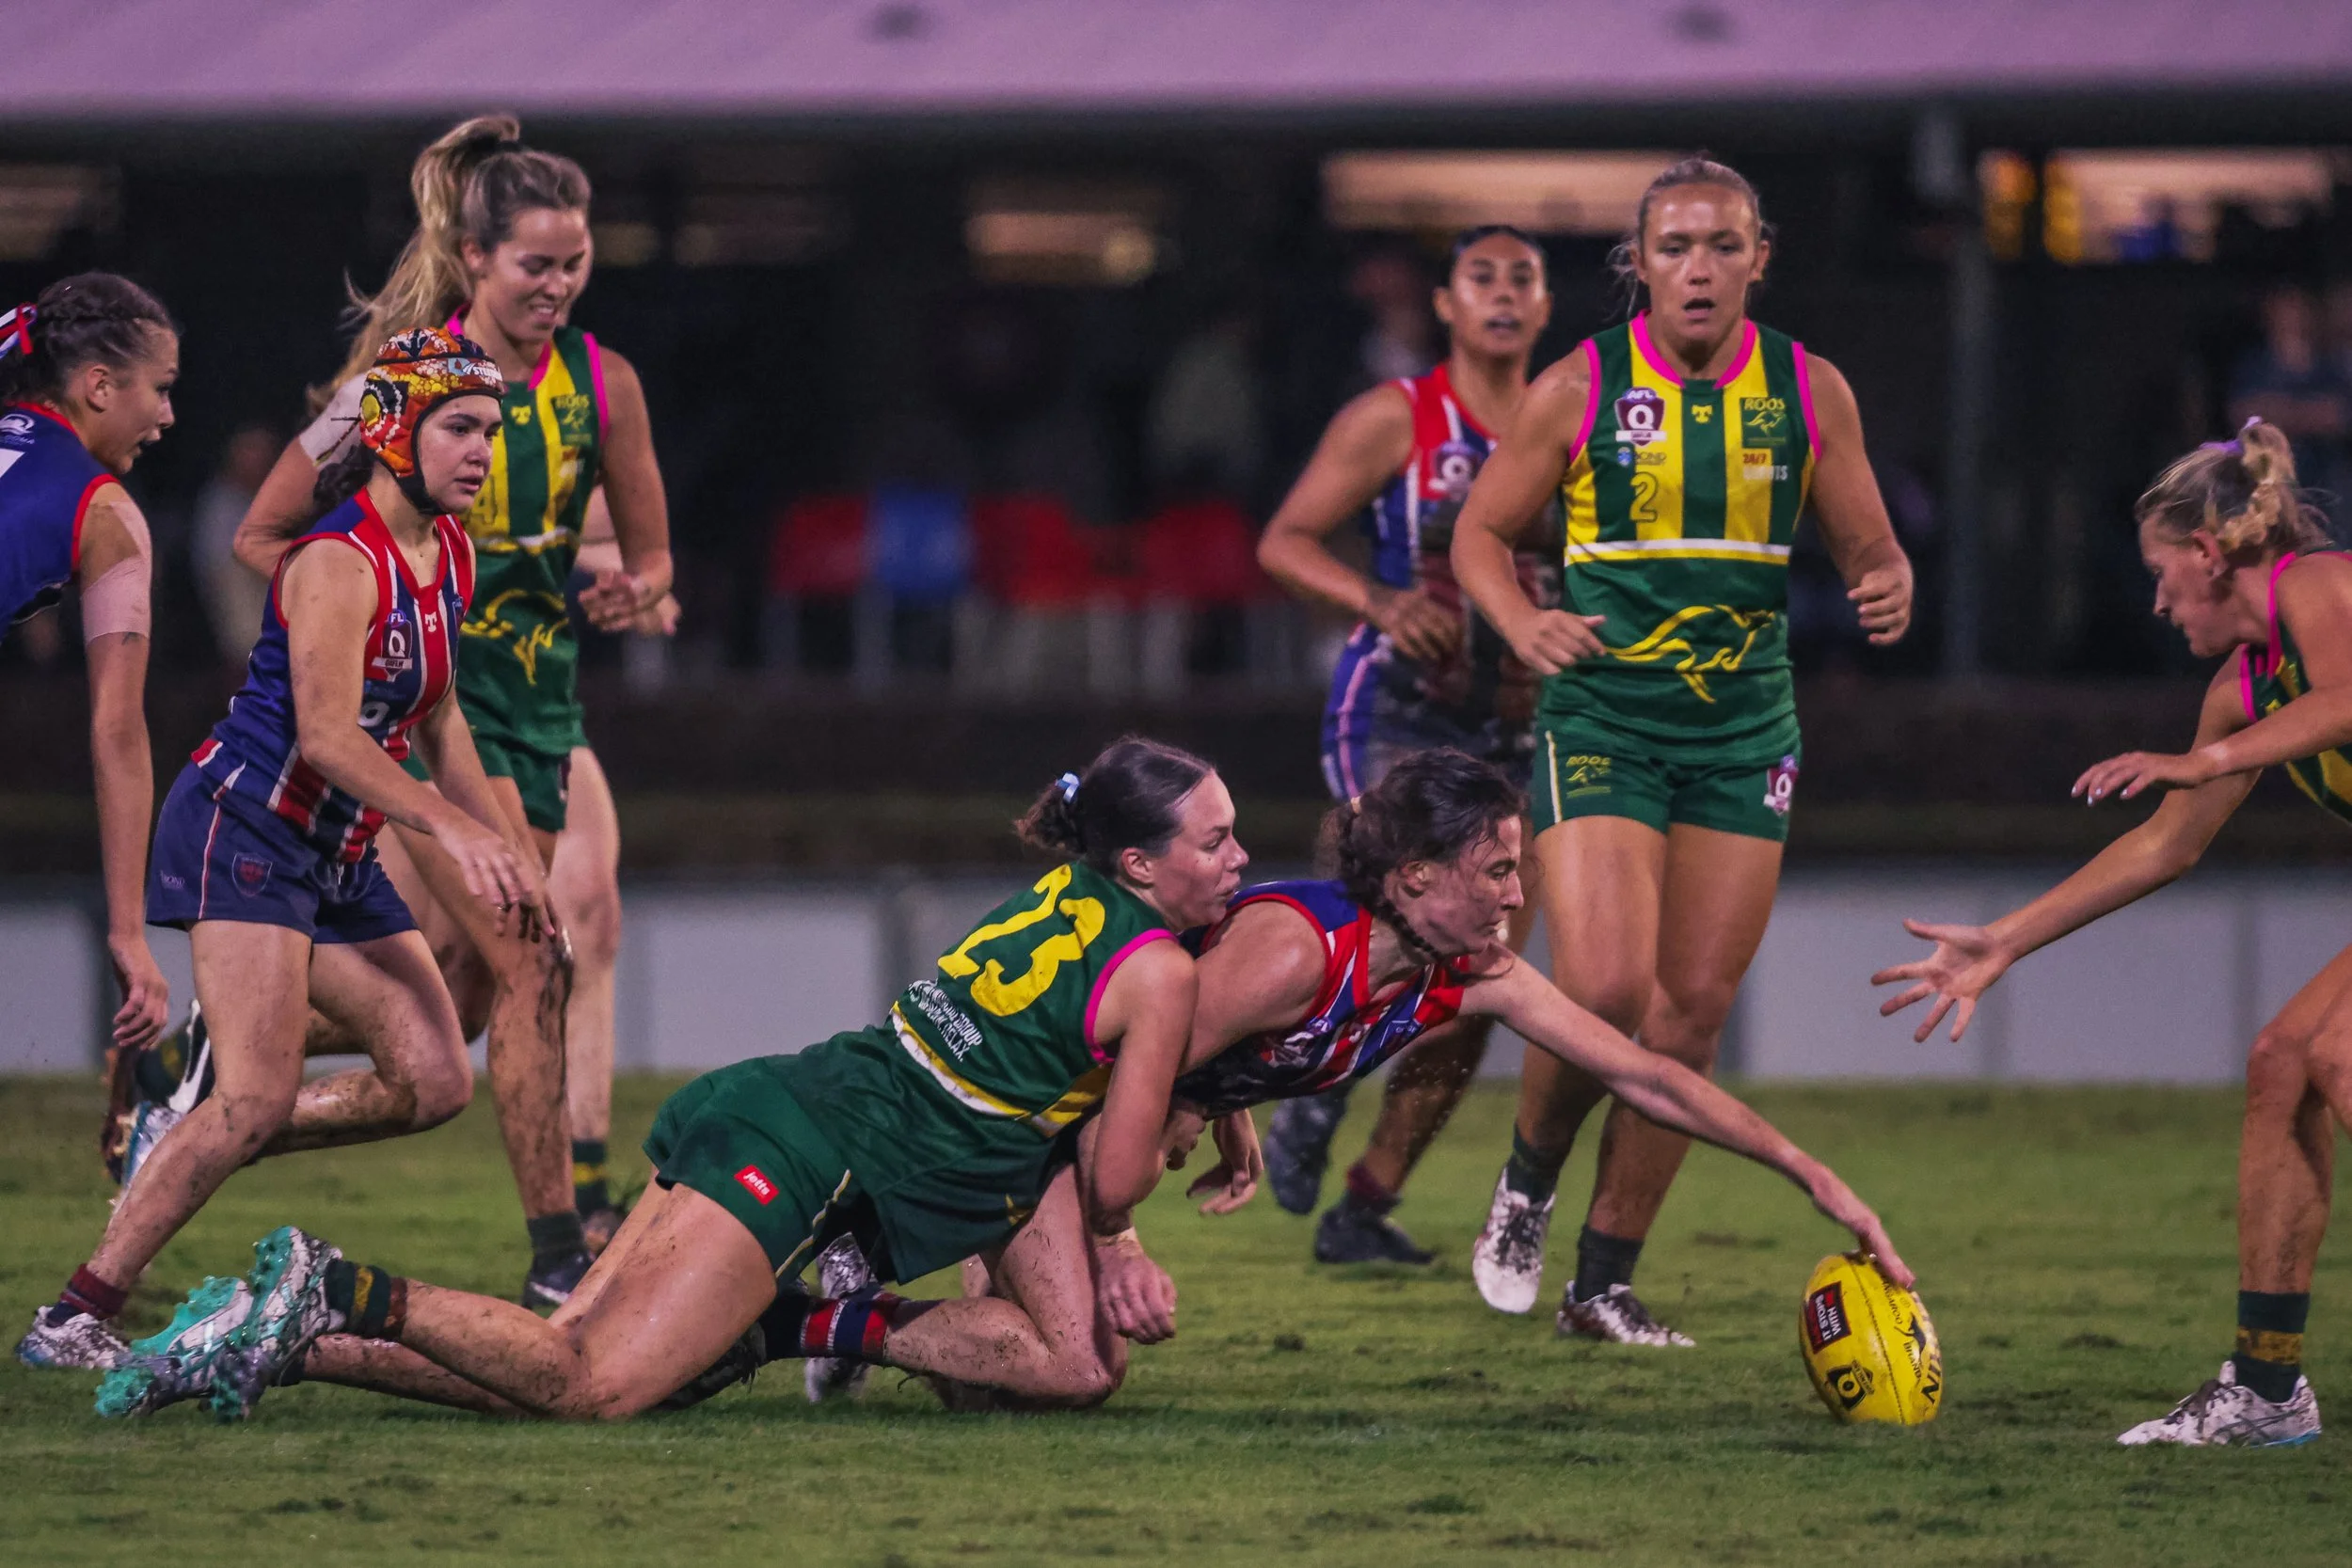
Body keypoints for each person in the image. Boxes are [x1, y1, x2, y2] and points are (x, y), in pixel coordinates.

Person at [106, 738, 1248, 1423]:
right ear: (1141, 862)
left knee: (562, 1373)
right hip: (806, 1152)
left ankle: (275, 1336)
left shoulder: (1079, 893)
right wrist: (1162, 1172)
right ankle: (334, 1284)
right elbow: (1110, 1178)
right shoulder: (1155, 968)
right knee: (587, 1385)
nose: (1240, 858)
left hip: (792, 1104)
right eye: (1216, 841)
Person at [834, 749, 1912, 1412]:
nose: (1514, 893)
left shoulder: (1464, 972)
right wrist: (1116, 1239)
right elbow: (1113, 1068)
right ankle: (851, 1284)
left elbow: (1648, 1075)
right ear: (1413, 878)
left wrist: (1811, 1172)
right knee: (1081, 1365)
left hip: (1077, 1135)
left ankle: (896, 1292)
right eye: (1496, 868)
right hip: (1024, 1121)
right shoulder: (1298, 947)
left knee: (1028, 1389)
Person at [1449, 156, 1915, 1343]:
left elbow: (1866, 543)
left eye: (1722, 245)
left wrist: (1887, 579)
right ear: (1638, 265)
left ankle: (1600, 1281)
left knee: (1688, 1013)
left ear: (1759, 258)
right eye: (1674, 247)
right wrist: (1520, 621)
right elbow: (1479, 537)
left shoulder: (1812, 391)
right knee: (1601, 985)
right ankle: (1527, 1181)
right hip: (1605, 719)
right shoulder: (1576, 387)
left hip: (1741, 730)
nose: (1697, 268)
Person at [20, 327, 545, 1377]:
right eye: (460, 428)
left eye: (491, 430)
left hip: (335, 853)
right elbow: (327, 736)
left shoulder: (453, 554)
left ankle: (195, 1125)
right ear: (396, 432)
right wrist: (449, 827)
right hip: (247, 829)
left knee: (437, 1077)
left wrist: (514, 846)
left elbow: (442, 720)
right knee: (252, 1099)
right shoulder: (335, 563)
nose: (483, 451)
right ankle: (72, 1314)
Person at [214, 114, 673, 1300]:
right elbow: (260, 534)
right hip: (439, 724)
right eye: (537, 263)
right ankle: (560, 1254)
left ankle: (213, 1069)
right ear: (474, 257)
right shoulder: (396, 384)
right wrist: (356, 615)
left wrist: (636, 590)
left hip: (542, 715)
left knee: (461, 1003)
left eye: (576, 263)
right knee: (539, 961)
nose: (559, 286)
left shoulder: (600, 384)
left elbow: (655, 555)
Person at [1877, 420, 2344, 1449]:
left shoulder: (2319, 586)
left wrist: (2204, 759)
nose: (2154, 598)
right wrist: (2003, 940)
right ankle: (2266, 1392)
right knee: (2282, 1063)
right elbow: (2164, 845)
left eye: (2160, 570)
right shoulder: (2244, 685)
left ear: (2211, 553)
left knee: (2335, 1055)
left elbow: (2349, 698)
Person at [1251, 225, 1560, 1266]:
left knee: (1479, 971)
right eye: (1484, 276)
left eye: (1525, 276)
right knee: (1388, 915)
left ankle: (1364, 1204)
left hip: (1519, 726)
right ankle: (1307, 1085)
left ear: (1548, 304)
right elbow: (1284, 539)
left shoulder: (1577, 420)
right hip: (1394, 713)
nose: (1505, 294)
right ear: (1445, 304)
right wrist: (1378, 598)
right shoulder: (1399, 419)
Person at [0, 275, 175, 1105]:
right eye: (161, 388)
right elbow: (117, 731)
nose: (168, 417)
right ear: (99, 386)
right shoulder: (105, 511)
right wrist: (128, 930)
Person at [191, 423, 281, 664]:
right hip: (238, 606)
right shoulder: (219, 503)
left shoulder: (275, 496)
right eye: (250, 450)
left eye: (263, 450)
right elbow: (221, 568)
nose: (257, 458)